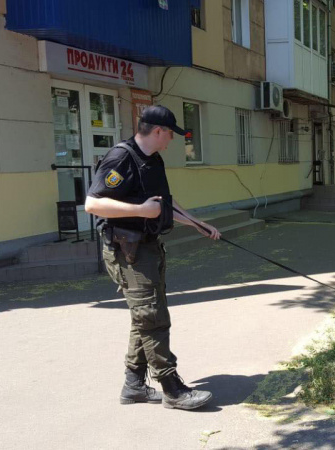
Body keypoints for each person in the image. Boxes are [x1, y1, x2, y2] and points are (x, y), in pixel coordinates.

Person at [85, 105, 221, 411]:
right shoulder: (121, 157)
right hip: (126, 250)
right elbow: (92, 204)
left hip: (148, 247)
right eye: (170, 133)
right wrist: (140, 211)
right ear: (157, 131)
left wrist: (198, 224)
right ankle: (171, 388)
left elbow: (163, 205)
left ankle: (133, 386)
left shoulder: (153, 161)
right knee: (153, 317)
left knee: (144, 317)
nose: (172, 139)